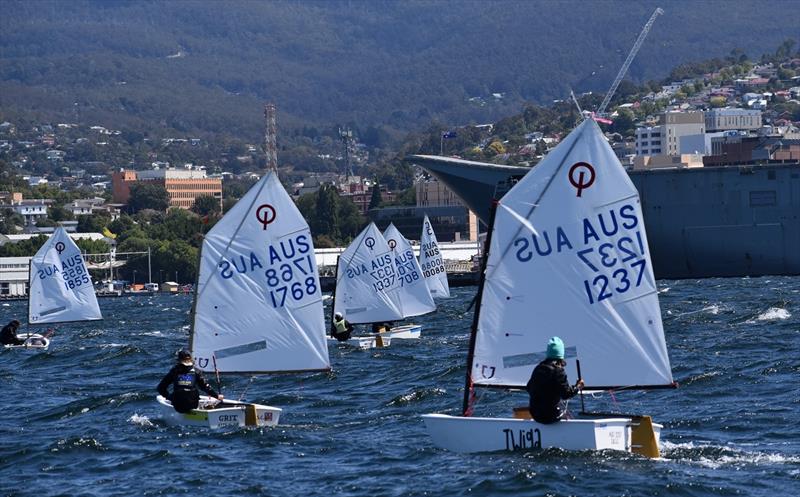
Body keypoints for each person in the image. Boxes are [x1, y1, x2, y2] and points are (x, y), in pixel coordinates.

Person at [526, 336, 584, 424]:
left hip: (535, 415)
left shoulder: (538, 368)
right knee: (566, 416)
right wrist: (578, 386)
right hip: (549, 417)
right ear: (561, 354)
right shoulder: (558, 370)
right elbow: (566, 394)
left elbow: (528, 388)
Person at [157, 349, 223, 413]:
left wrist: (169, 397)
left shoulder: (174, 371)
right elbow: (205, 387)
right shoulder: (196, 371)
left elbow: (160, 388)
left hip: (179, 406)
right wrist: (217, 396)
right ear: (191, 359)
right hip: (193, 405)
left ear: (179, 360)